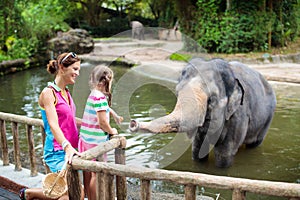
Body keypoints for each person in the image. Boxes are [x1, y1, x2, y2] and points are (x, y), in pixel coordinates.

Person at [19, 52, 84, 200]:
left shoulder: (66, 92)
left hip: (71, 150)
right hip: (57, 151)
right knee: (73, 193)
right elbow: (53, 124)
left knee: (74, 192)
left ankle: (29, 193)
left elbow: (70, 119)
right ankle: (30, 193)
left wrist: (92, 124)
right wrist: (67, 147)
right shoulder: (48, 93)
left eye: (78, 69)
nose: (77, 73)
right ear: (62, 68)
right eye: (74, 69)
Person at [79, 65, 123, 200]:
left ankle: (88, 196)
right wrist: (112, 130)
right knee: (95, 174)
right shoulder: (100, 98)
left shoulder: (94, 94)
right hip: (96, 143)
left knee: (87, 171)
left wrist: (114, 115)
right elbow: (102, 123)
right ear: (105, 82)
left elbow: (104, 109)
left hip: (85, 139)